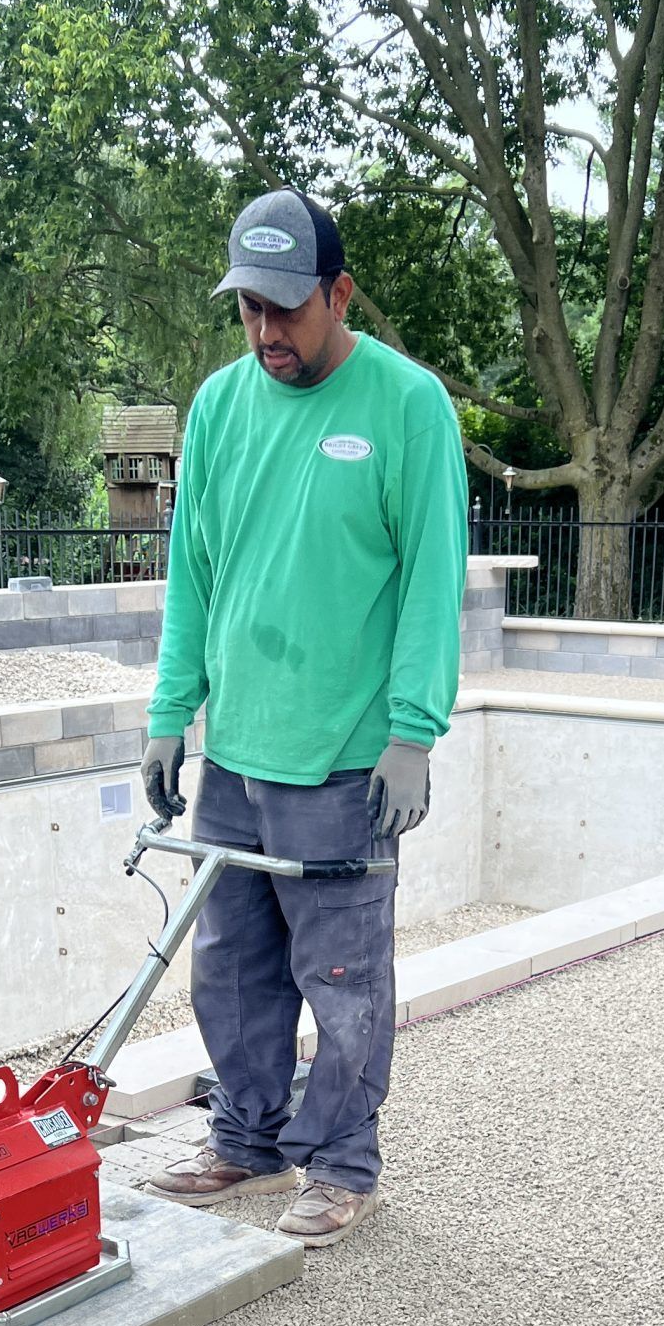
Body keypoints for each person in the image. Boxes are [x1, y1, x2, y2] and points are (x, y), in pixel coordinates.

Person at [141, 189, 468, 1247]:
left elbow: (431, 578)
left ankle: (340, 1162)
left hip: (342, 761)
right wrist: (170, 711)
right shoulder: (221, 408)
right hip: (236, 752)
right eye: (250, 311)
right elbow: (191, 574)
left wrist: (413, 728)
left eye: (288, 308)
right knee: (229, 968)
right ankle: (245, 1138)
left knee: (342, 976)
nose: (268, 332)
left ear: (339, 292)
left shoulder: (406, 406)